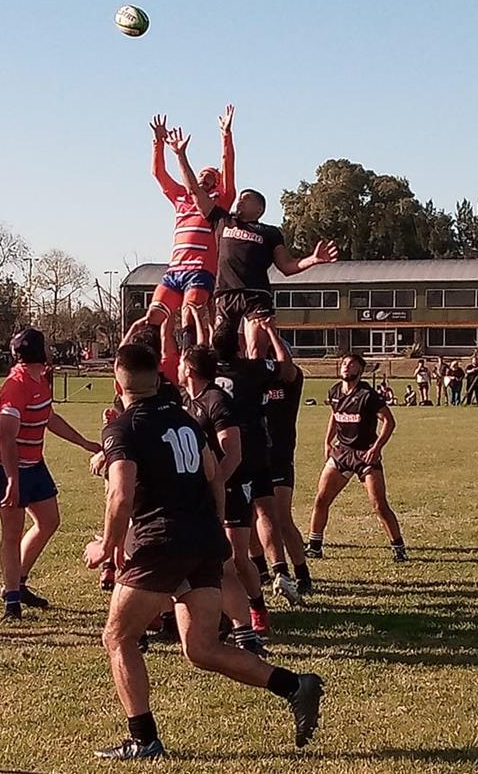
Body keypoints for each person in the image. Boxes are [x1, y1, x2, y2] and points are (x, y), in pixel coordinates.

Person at [84, 343, 324, 760]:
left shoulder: (122, 427)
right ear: (158, 375)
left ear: (116, 380)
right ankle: (294, 685)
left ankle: (144, 739)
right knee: (201, 648)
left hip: (160, 542)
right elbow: (214, 474)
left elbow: (120, 495)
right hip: (203, 539)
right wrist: (213, 521)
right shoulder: (186, 418)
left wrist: (106, 546)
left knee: (118, 637)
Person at [162, 128, 337, 358]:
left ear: (259, 208)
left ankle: (258, 387)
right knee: (223, 348)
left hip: (256, 295)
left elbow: (287, 266)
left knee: (255, 351)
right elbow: (195, 191)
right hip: (226, 294)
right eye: (240, 198)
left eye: (247, 199)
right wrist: (180, 155)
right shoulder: (222, 220)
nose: (240, 202)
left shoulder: (270, 232)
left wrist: (313, 260)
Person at [0, 328, 101, 619]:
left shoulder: (40, 379)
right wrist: (13, 480)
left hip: (34, 464)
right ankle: (11, 600)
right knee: (11, 534)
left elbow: (49, 417)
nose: (52, 350)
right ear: (39, 352)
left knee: (49, 521)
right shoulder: (16, 386)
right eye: (47, 346)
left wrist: (85, 443)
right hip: (8, 467)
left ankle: (18, 582)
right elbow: (6, 437)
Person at [178, 344, 264, 652]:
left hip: (231, 489)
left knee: (235, 559)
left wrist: (216, 486)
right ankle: (228, 621)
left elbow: (233, 454)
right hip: (208, 494)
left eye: (180, 363)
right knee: (219, 561)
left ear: (189, 369)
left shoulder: (217, 401)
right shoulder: (188, 401)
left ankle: (256, 612)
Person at [211, 319, 296, 631]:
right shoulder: (251, 369)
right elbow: (286, 370)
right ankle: (277, 571)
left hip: (223, 459)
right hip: (253, 454)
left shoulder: (206, 374)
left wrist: (201, 317)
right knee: (262, 514)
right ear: (238, 348)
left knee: (231, 539)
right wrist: (272, 331)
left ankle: (252, 596)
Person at [141, 109, 235, 341]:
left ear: (217, 182)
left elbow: (229, 166)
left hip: (200, 270)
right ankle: (151, 364)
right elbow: (158, 173)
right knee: (153, 315)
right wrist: (158, 142)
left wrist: (226, 136)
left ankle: (190, 358)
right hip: (174, 270)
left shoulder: (220, 201)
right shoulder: (181, 196)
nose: (204, 177)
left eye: (210, 175)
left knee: (189, 312)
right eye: (201, 174)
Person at [306, 353, 407, 564]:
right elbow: (334, 416)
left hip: (364, 454)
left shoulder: (367, 395)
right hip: (342, 453)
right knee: (321, 499)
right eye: (343, 363)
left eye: (351, 364)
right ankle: (315, 546)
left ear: (359, 371)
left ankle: (399, 547)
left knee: (379, 505)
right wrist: (327, 441)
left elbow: (389, 421)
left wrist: (377, 447)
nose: (345, 366)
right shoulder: (334, 391)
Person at [260, 333, 313, 597]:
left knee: (281, 517)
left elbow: (288, 368)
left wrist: (271, 333)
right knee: (253, 518)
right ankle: (265, 569)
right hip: (256, 457)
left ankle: (302, 572)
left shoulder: (291, 380)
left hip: (280, 456)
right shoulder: (255, 377)